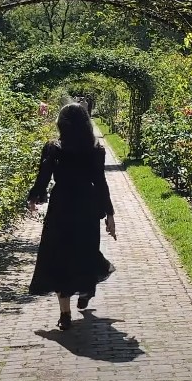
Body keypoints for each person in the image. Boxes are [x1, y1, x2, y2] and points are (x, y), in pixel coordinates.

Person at [27, 102, 117, 330]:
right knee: (85, 251)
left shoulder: (54, 147)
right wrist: (109, 214)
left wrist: (34, 197)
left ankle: (64, 313)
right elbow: (101, 182)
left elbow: (44, 177)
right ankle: (86, 289)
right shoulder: (95, 150)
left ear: (61, 124)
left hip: (62, 205)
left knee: (58, 255)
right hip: (86, 205)